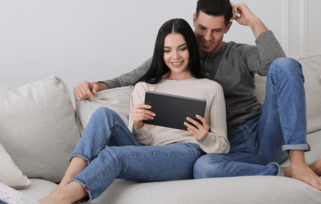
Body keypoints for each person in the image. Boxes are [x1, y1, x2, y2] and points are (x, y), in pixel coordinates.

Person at [74, 0, 321, 190]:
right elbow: (136, 75)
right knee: (203, 168)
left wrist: (255, 22)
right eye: (202, 28)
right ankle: (286, 173)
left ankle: (298, 163)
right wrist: (98, 84)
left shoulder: (239, 52)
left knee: (286, 64)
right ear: (193, 20)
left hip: (264, 132)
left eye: (216, 31)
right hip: (227, 147)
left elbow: (276, 66)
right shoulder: (179, 54)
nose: (207, 37)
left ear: (227, 26)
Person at [39, 18, 229, 204]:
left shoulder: (210, 88)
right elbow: (142, 143)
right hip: (147, 154)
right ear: (160, 53)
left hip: (185, 154)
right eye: (167, 50)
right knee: (103, 115)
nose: (175, 57)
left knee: (114, 155)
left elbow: (223, 146)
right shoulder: (144, 87)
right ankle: (63, 186)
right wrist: (137, 125)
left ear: (191, 48)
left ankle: (60, 199)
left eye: (182, 48)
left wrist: (205, 137)